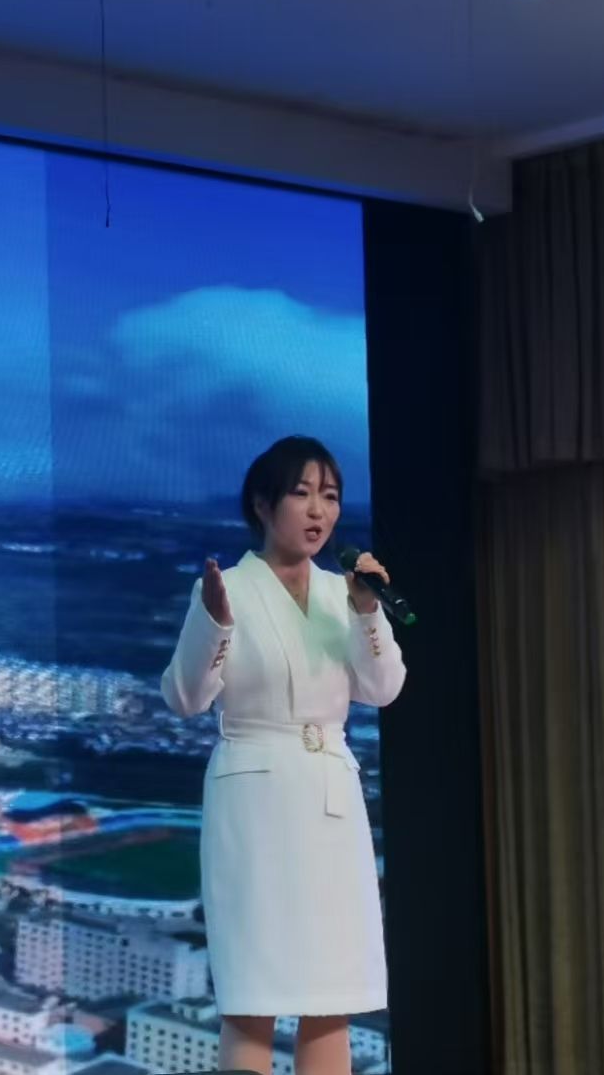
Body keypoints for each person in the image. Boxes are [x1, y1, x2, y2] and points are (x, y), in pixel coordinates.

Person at [161, 435, 407, 1075]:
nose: (319, 510)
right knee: (255, 995)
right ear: (263, 505)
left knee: (331, 997)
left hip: (330, 799)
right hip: (255, 801)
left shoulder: (340, 593)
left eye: (330, 496)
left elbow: (383, 689)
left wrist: (367, 612)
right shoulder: (227, 589)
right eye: (302, 493)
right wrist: (215, 624)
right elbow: (186, 697)